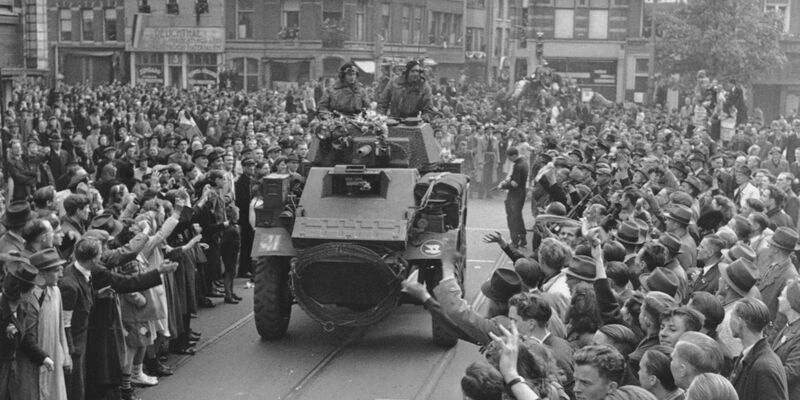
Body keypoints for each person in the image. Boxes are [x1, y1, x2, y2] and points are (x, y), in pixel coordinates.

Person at [29, 248, 70, 400]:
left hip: (53, 355)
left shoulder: (56, 292)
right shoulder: (28, 296)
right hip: (33, 360)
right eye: (56, 271)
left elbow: (61, 327)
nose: (61, 275)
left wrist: (65, 354)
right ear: (41, 273)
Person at [728, 297, 788, 400]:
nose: (729, 322)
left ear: (740, 322)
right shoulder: (749, 356)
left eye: (731, 317)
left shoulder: (764, 367)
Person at [496, 147, 529, 248]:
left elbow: (514, 184)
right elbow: (514, 178)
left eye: (509, 157)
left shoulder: (517, 166)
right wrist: (506, 181)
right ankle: (523, 238)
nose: (509, 160)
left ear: (514, 156)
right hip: (522, 193)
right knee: (518, 217)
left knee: (512, 218)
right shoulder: (524, 162)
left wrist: (503, 186)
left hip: (515, 196)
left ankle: (515, 240)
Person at [773, 279, 800, 400]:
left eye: (783, 296)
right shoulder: (790, 325)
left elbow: (791, 372)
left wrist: (763, 372)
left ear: (790, 302)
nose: (778, 298)